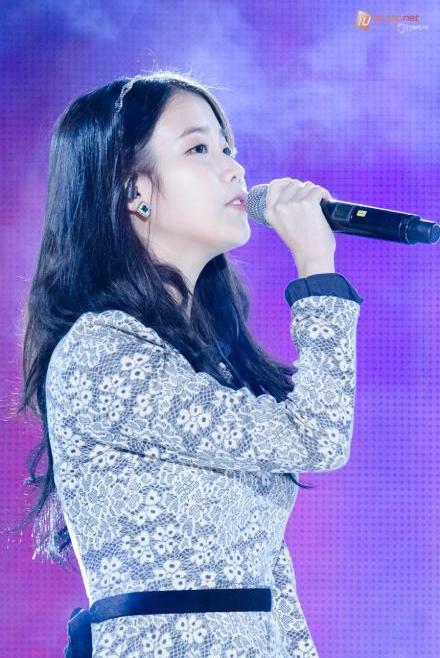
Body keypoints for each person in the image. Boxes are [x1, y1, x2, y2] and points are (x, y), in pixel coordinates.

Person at [15, 70, 364, 657]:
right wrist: (317, 271)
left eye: (228, 148)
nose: (234, 169)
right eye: (199, 148)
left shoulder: (208, 367)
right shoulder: (103, 353)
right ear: (134, 189)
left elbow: (271, 586)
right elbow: (318, 435)